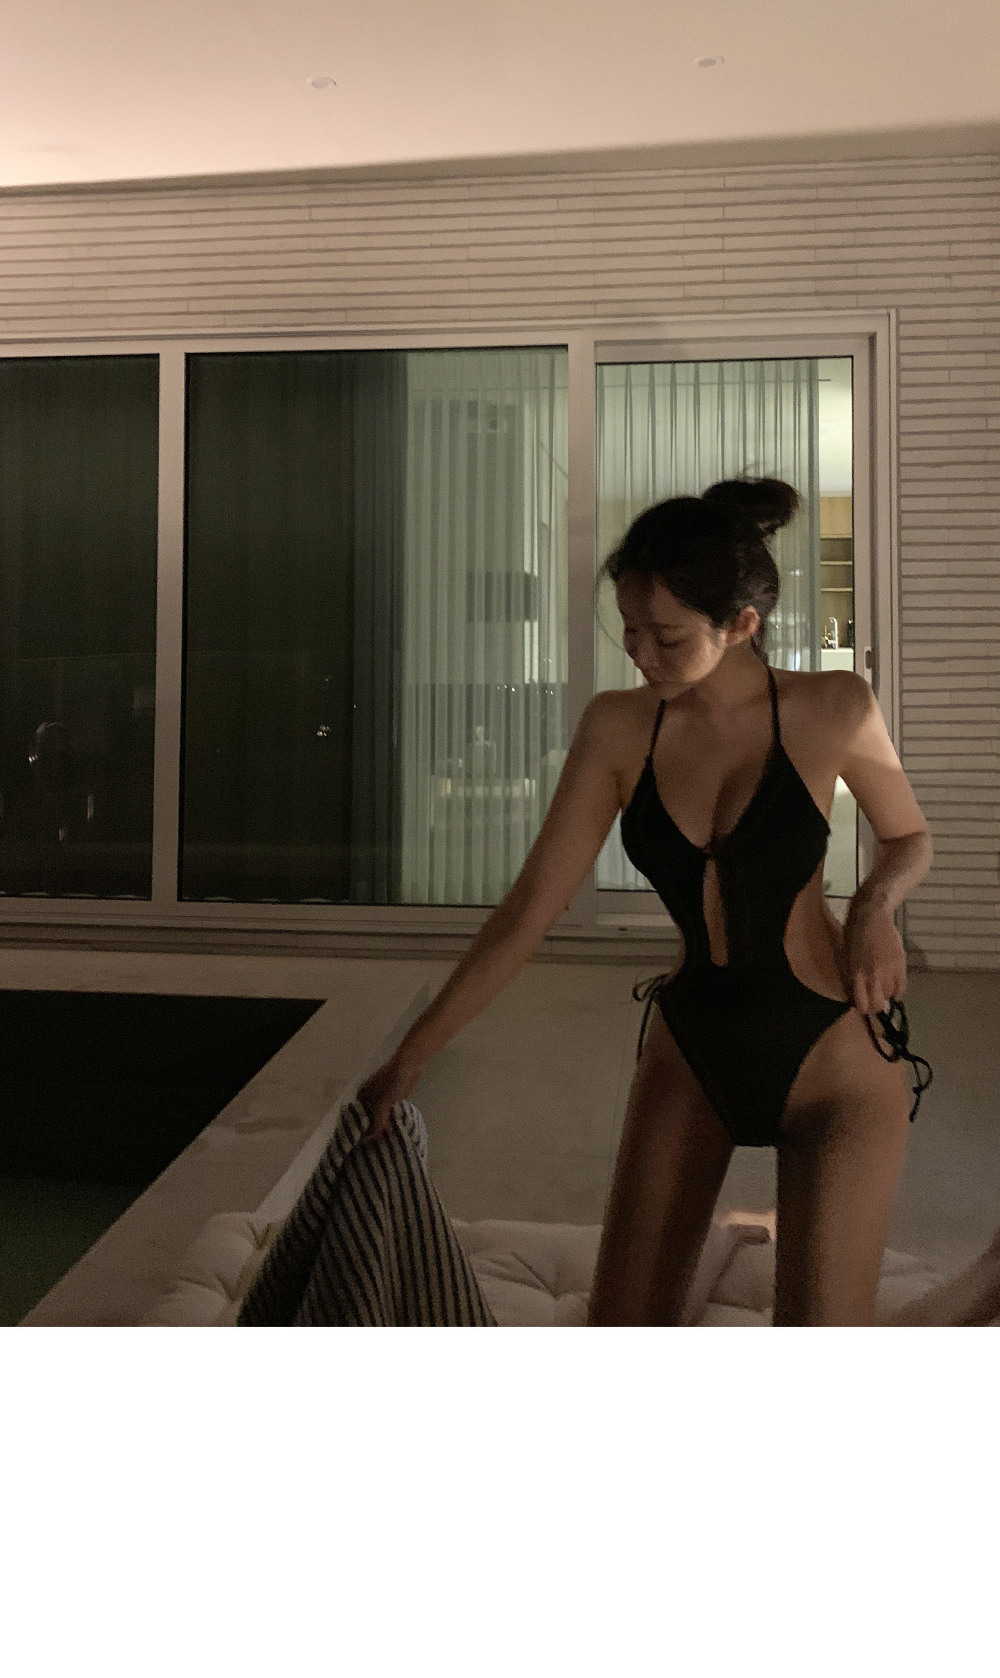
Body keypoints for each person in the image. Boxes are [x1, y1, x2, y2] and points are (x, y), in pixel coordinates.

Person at [356, 475, 933, 1330]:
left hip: (835, 1056)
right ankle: (729, 1252)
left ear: (741, 624)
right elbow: (530, 909)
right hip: (692, 1047)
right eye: (628, 628)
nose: (640, 654)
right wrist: (412, 1056)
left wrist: (876, 906)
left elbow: (909, 837)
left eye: (666, 636)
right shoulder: (618, 727)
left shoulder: (832, 706)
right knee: (621, 1335)